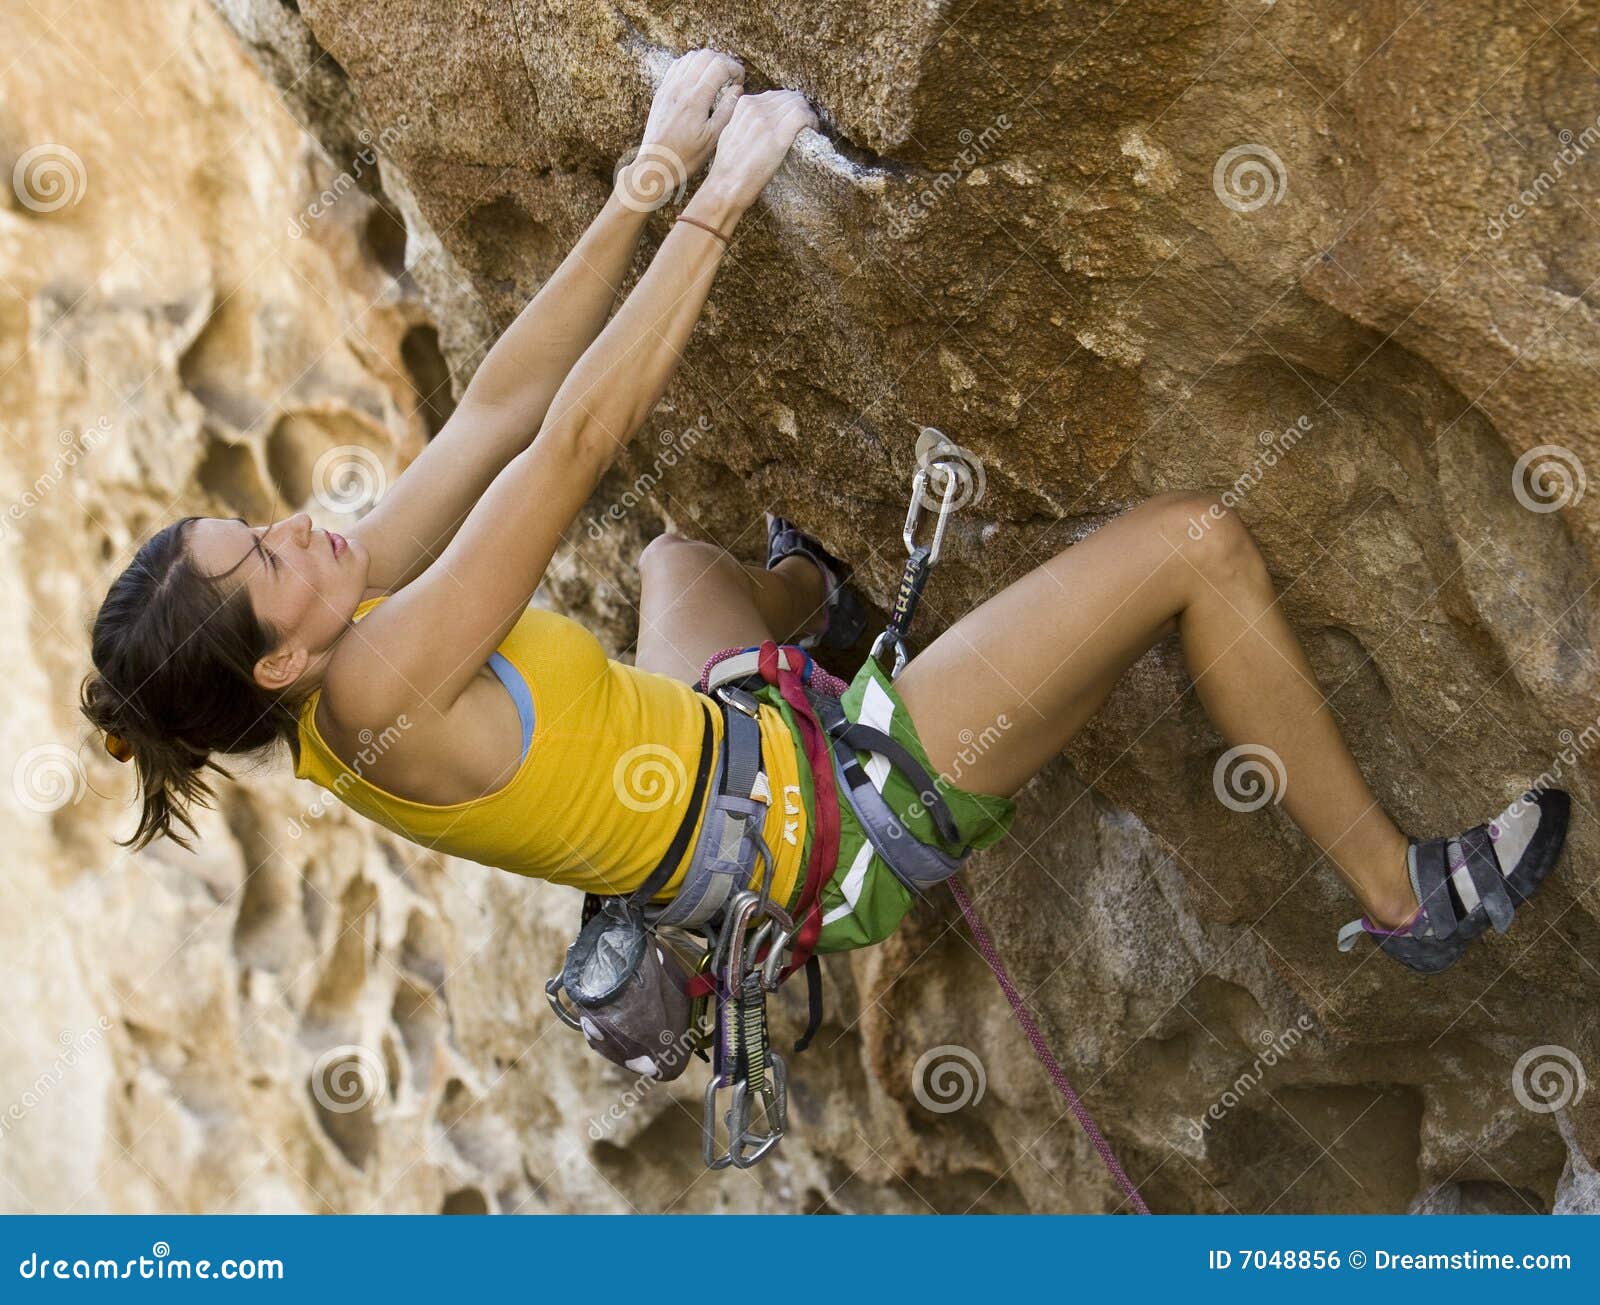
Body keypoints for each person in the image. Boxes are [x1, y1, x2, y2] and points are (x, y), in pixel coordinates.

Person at [81, 51, 1567, 979]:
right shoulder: (382, 680)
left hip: (715, 750)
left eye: (259, 522)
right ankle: (1404, 894)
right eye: (267, 561)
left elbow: (489, 414)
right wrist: (723, 196)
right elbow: (576, 438)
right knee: (1193, 542)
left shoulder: (336, 642)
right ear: (278, 664)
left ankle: (820, 611)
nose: (302, 529)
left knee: (679, 559)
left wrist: (647, 171)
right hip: (825, 833)